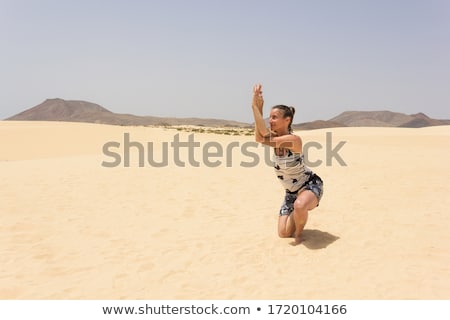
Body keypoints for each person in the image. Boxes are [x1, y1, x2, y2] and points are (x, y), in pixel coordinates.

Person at [251, 83, 323, 245]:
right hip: (290, 192)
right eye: (269, 117)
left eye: (274, 117)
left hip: (309, 186)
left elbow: (261, 137)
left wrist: (254, 106)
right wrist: (256, 108)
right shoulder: (272, 137)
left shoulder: (294, 140)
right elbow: (259, 136)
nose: (270, 120)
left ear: (287, 120)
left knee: (299, 205)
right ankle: (298, 217)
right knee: (283, 234)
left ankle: (299, 233)